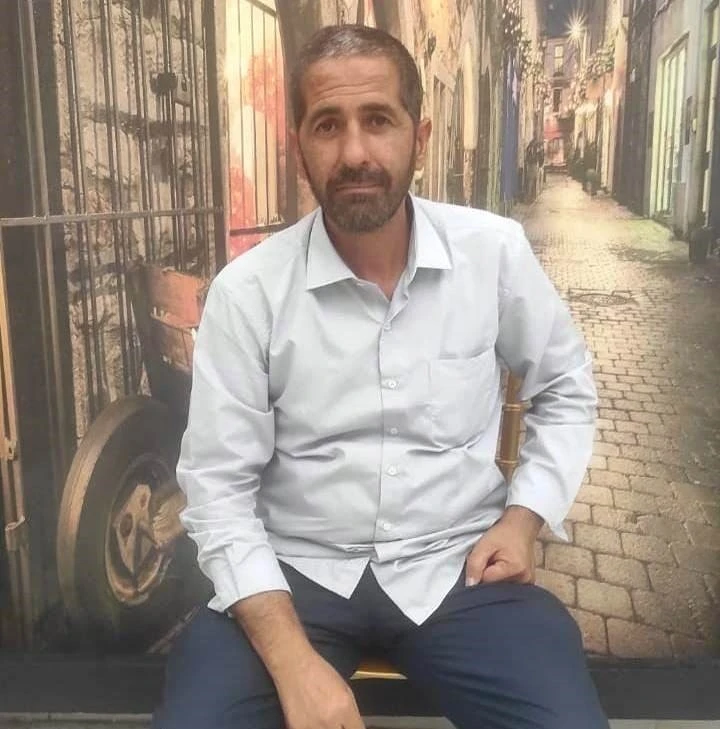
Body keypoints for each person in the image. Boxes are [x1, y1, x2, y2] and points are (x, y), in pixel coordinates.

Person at [152, 24, 608, 729]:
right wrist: (294, 664)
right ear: (298, 146)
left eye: (378, 120)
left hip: (458, 566)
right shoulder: (249, 293)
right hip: (293, 573)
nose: (355, 153)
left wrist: (524, 518)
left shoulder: (492, 254)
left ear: (418, 138)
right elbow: (217, 488)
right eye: (327, 125)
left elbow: (567, 386)